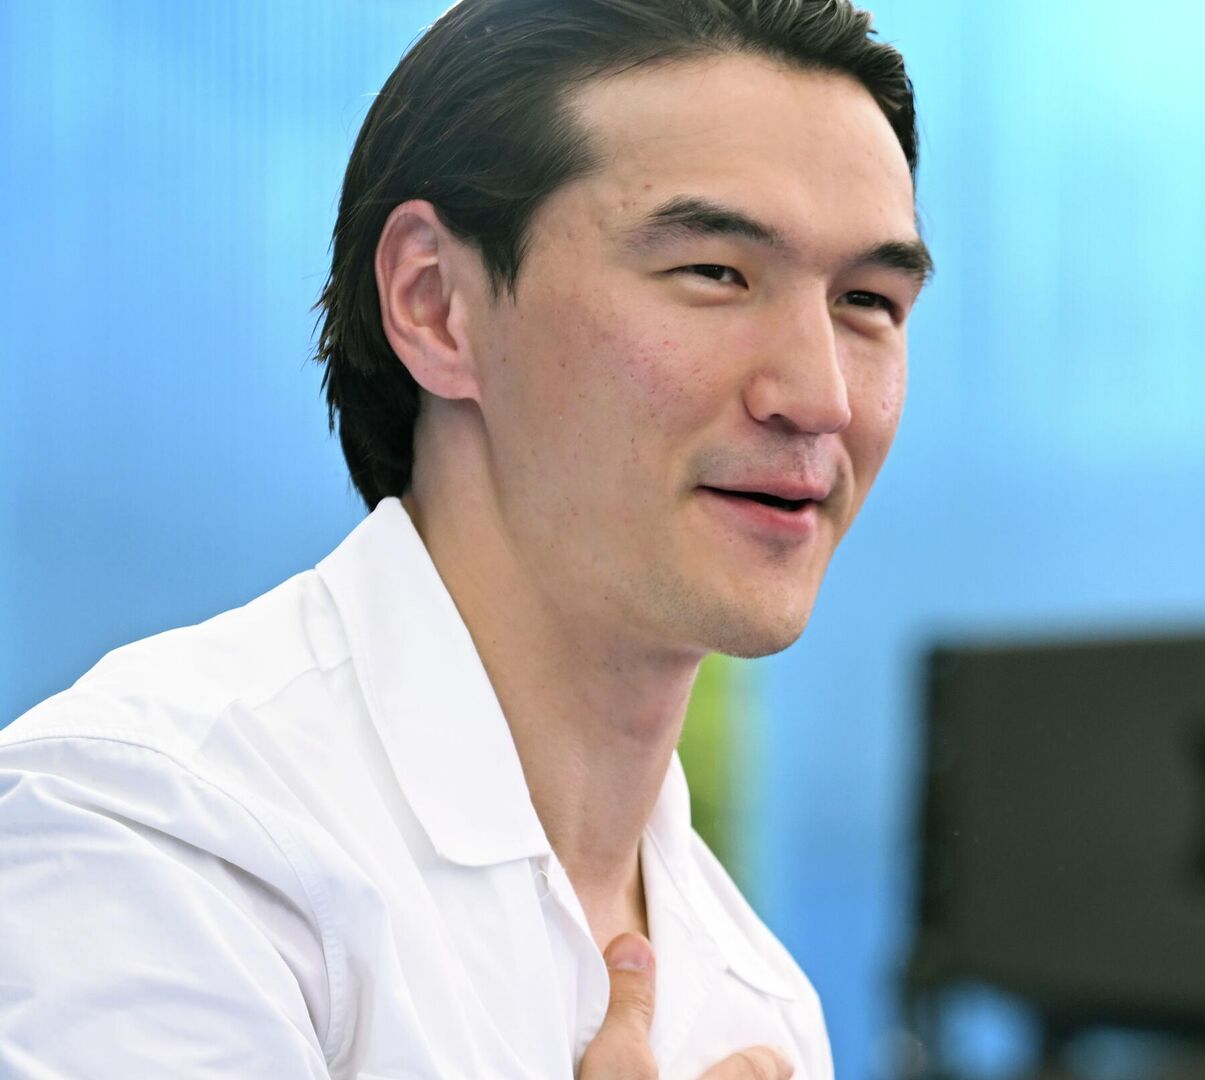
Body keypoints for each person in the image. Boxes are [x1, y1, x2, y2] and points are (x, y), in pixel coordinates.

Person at [0, 1, 930, 1077]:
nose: (820, 397)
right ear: (435, 303)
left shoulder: (759, 997)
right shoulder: (155, 832)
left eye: (869, 301)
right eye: (715, 273)